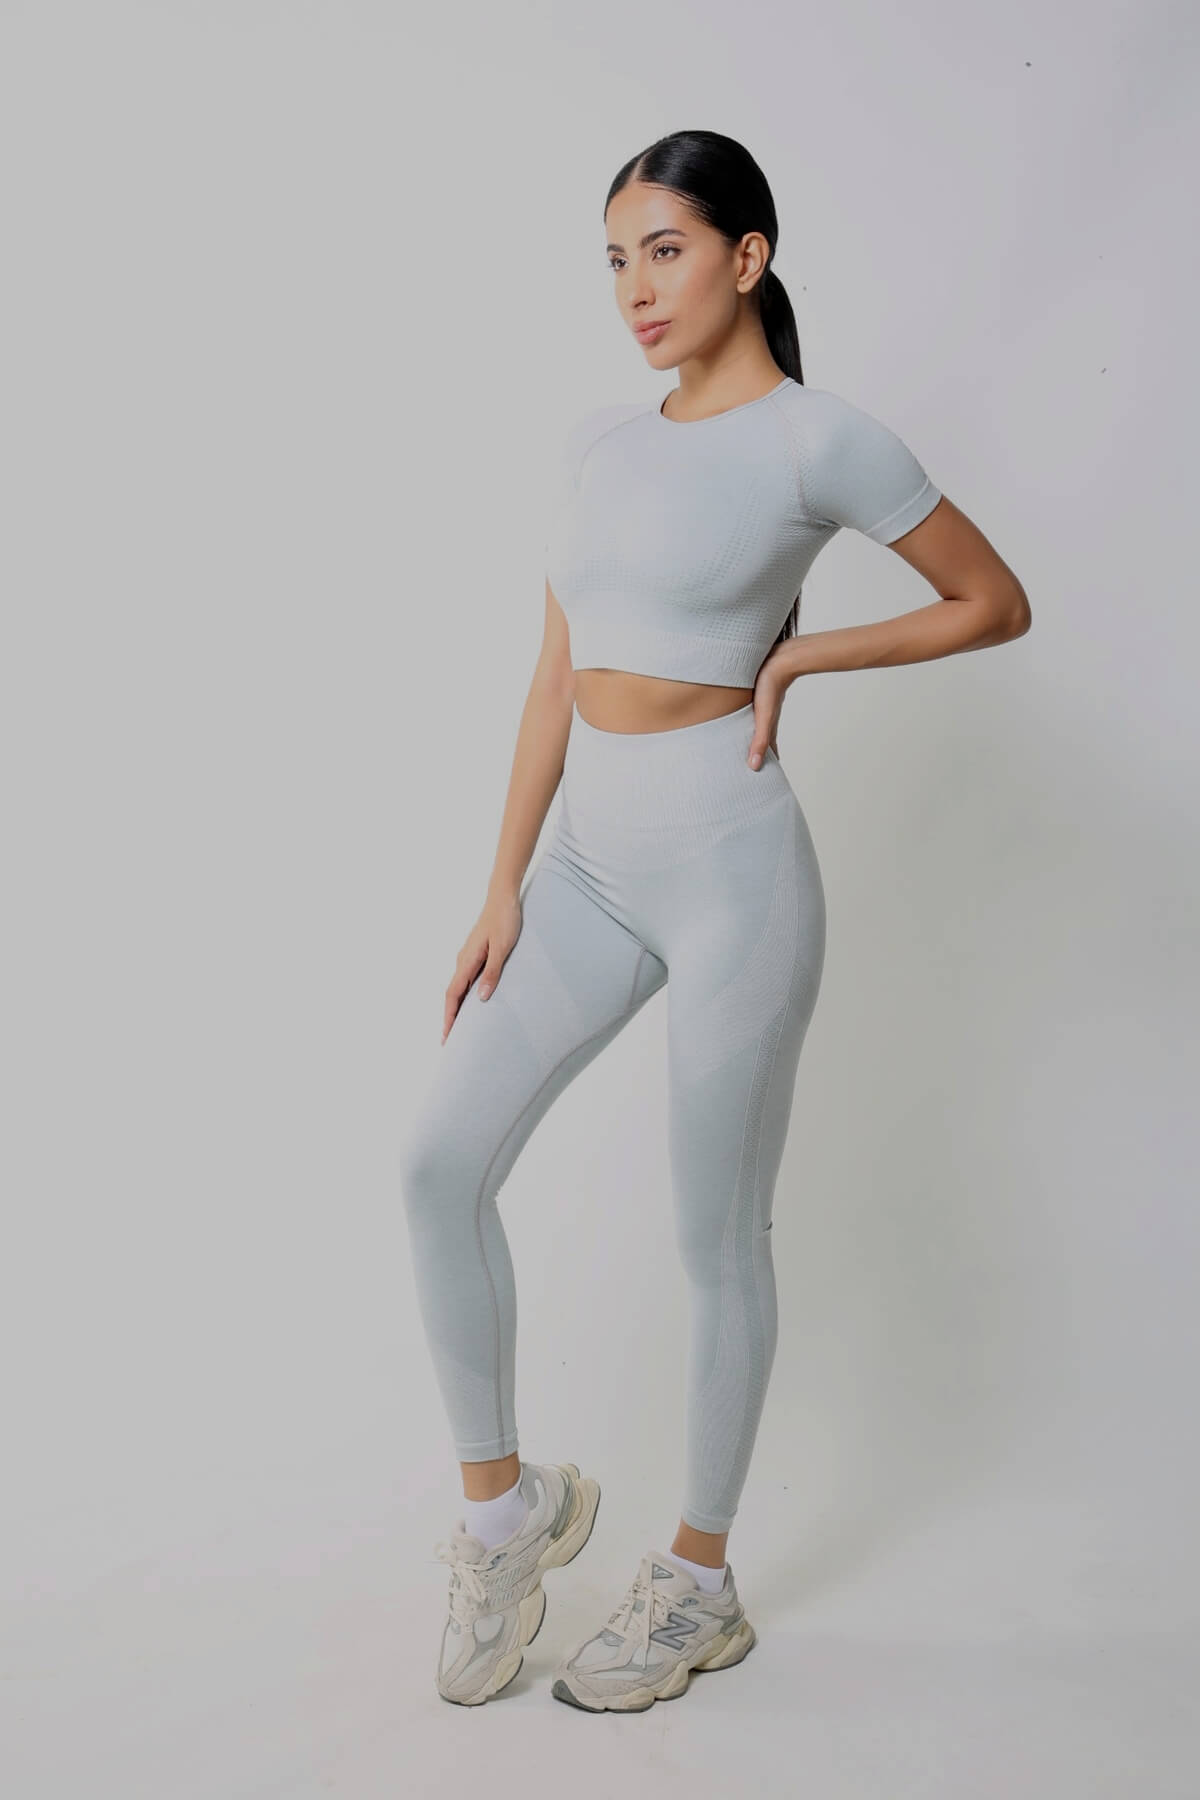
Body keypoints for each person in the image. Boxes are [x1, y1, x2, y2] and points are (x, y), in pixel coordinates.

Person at [400, 128, 1031, 1712]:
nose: (635, 286)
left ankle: (697, 1584)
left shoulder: (821, 439)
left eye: (666, 249)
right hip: (585, 874)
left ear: (748, 258)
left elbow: (992, 598)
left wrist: (806, 656)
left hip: (732, 873)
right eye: (616, 258)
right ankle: (510, 1517)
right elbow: (553, 676)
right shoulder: (600, 444)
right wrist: (501, 886)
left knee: (712, 1237)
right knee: (436, 1165)